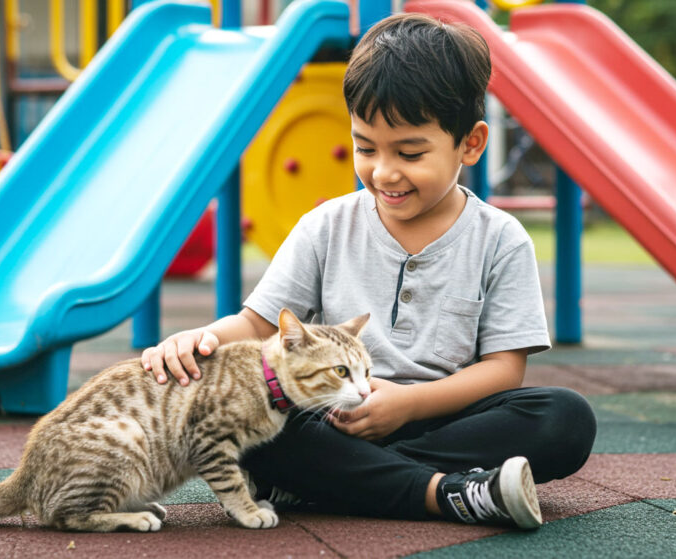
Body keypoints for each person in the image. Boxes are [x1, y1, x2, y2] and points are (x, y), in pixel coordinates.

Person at [142, 13, 596, 529]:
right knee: (255, 417)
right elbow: (256, 326)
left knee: (565, 418)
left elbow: (504, 370)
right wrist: (200, 339)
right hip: (332, 416)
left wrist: (406, 404)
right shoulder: (326, 226)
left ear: (470, 143)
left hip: (436, 418)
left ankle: (349, 483)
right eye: (365, 148)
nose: (384, 172)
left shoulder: (501, 239)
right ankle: (444, 492)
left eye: (410, 152)